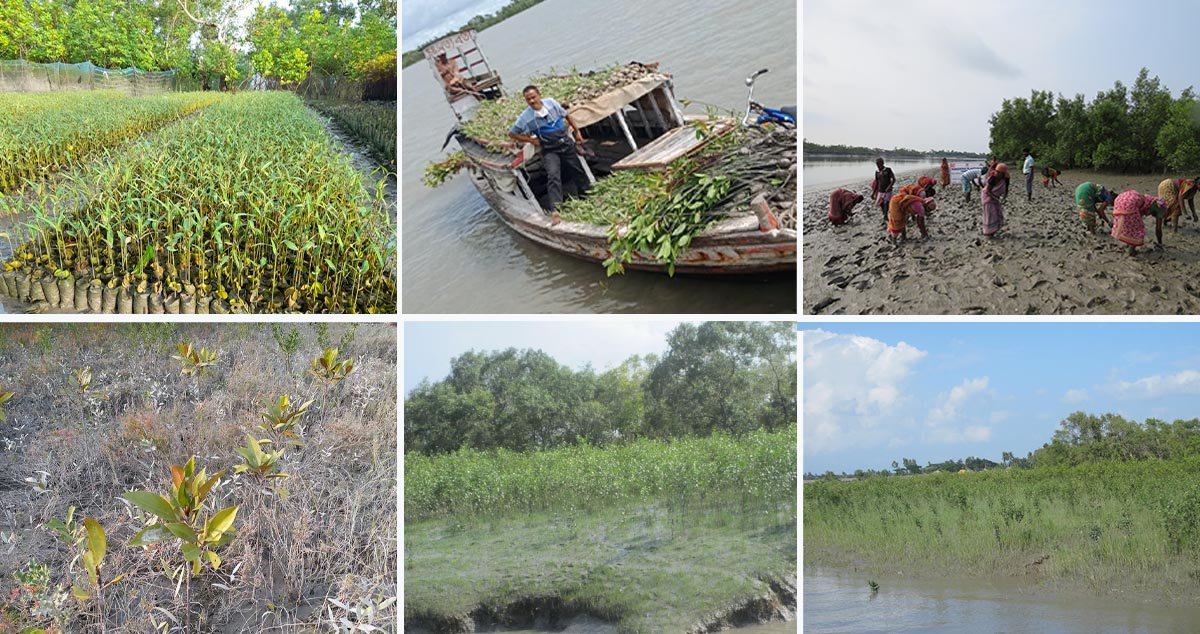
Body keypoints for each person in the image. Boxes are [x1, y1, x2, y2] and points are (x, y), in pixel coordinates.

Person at [508, 85, 591, 218]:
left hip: (565, 143)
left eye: (534, 97)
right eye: (528, 99)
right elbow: (512, 133)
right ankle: (556, 210)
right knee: (553, 175)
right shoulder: (526, 117)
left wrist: (577, 131)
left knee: (577, 169)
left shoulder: (551, 103)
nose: (532, 101)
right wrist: (531, 140)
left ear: (539, 95)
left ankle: (587, 194)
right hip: (549, 149)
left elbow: (567, 115)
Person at [1111, 190, 1168, 255]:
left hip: (1119, 201)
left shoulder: (1148, 199)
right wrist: (1160, 243)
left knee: (1130, 225)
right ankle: (1131, 251)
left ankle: (1129, 242)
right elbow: (1158, 229)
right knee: (1138, 229)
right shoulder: (1158, 208)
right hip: (1129, 205)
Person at [981, 162, 1009, 237]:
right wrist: (996, 198)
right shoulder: (992, 178)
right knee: (990, 215)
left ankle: (994, 230)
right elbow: (987, 191)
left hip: (995, 198)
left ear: (1003, 173)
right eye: (996, 171)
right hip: (987, 198)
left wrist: (1004, 198)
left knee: (997, 213)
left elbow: (1006, 189)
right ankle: (988, 232)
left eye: (999, 172)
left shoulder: (1005, 179)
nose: (997, 173)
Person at [871, 158, 895, 222]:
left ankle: (885, 216)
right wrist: (873, 193)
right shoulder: (877, 172)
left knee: (886, 202)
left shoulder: (888, 170)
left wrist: (890, 186)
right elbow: (877, 182)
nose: (878, 165)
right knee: (880, 203)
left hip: (887, 190)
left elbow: (893, 179)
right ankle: (884, 213)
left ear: (883, 163)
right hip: (880, 190)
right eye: (877, 164)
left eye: (879, 163)